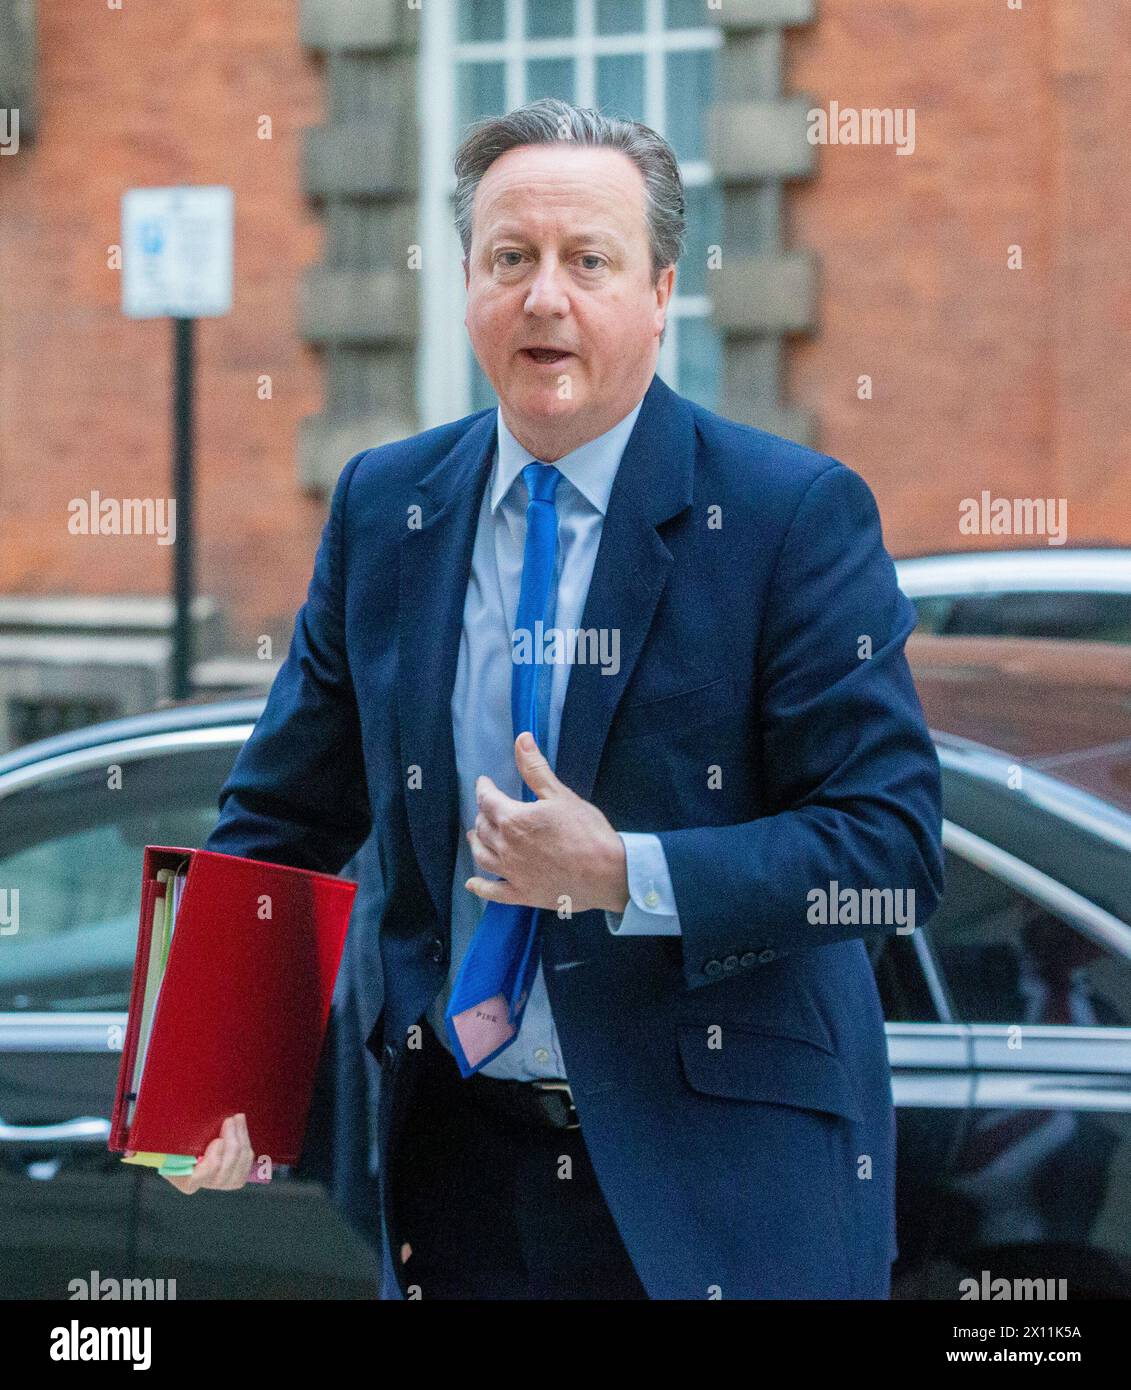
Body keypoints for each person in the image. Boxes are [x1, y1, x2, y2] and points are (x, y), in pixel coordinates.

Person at [165, 97, 945, 1300]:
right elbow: (284, 817)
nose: (545, 297)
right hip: (462, 1176)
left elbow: (890, 847)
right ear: (467, 284)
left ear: (658, 291)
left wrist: (624, 872)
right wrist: (215, 1071)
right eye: (510, 259)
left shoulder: (791, 516)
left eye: (589, 261)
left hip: (717, 1192)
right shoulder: (387, 507)